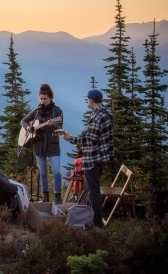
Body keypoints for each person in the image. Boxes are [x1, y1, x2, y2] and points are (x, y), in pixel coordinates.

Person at [63, 89, 114, 229]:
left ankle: (97, 224)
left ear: (91, 100)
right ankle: (87, 218)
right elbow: (94, 135)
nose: (87, 102)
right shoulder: (104, 113)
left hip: (93, 158)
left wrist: (71, 139)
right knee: (89, 189)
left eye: (87, 99)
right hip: (100, 156)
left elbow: (91, 139)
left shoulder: (98, 116)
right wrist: (81, 143)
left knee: (93, 191)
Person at [21, 83, 63, 204]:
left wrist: (53, 124)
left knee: (57, 172)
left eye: (45, 99)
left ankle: (58, 196)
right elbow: (23, 121)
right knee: (43, 171)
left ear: (50, 98)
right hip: (38, 145)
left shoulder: (57, 111)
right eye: (41, 98)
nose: (42, 101)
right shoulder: (37, 111)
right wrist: (28, 128)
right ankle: (45, 196)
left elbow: (60, 127)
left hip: (53, 144)